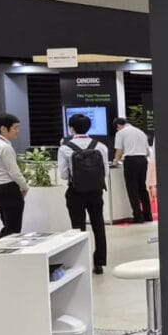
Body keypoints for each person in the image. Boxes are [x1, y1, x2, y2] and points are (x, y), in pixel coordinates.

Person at [59, 113, 110, 274]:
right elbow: (106, 172)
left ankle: (81, 262)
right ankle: (99, 263)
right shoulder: (100, 146)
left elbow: (63, 175)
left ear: (71, 128)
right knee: (98, 226)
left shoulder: (65, 148)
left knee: (78, 227)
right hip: (96, 192)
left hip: (75, 191)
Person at [0, 113, 28, 237]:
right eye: (15, 128)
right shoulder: (5, 147)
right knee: (13, 230)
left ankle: (1, 246)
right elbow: (14, 172)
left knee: (7, 226)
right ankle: (3, 249)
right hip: (9, 190)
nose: (18, 131)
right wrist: (25, 186)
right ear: (3, 129)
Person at [112, 116, 153, 222]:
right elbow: (147, 152)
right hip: (143, 160)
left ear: (118, 126)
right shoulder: (141, 132)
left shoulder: (121, 133)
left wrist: (115, 161)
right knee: (142, 188)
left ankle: (138, 216)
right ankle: (148, 215)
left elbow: (119, 151)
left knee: (132, 189)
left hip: (131, 161)